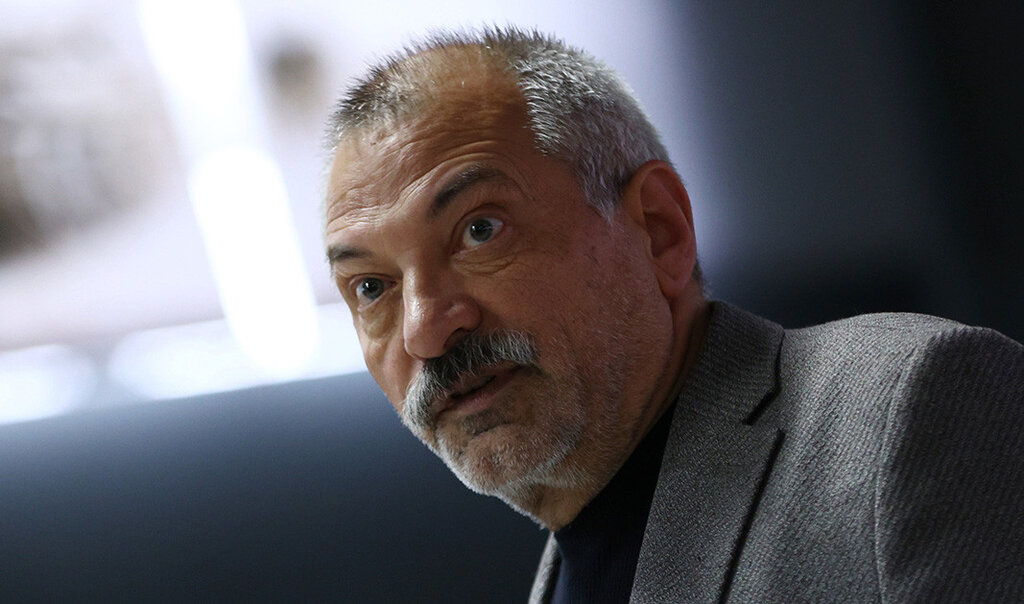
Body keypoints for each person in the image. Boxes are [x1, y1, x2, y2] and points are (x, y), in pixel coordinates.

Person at [320, 26, 1024, 603]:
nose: (425, 329)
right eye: (372, 288)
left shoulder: (910, 409)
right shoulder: (570, 571)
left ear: (659, 231)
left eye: (480, 231)